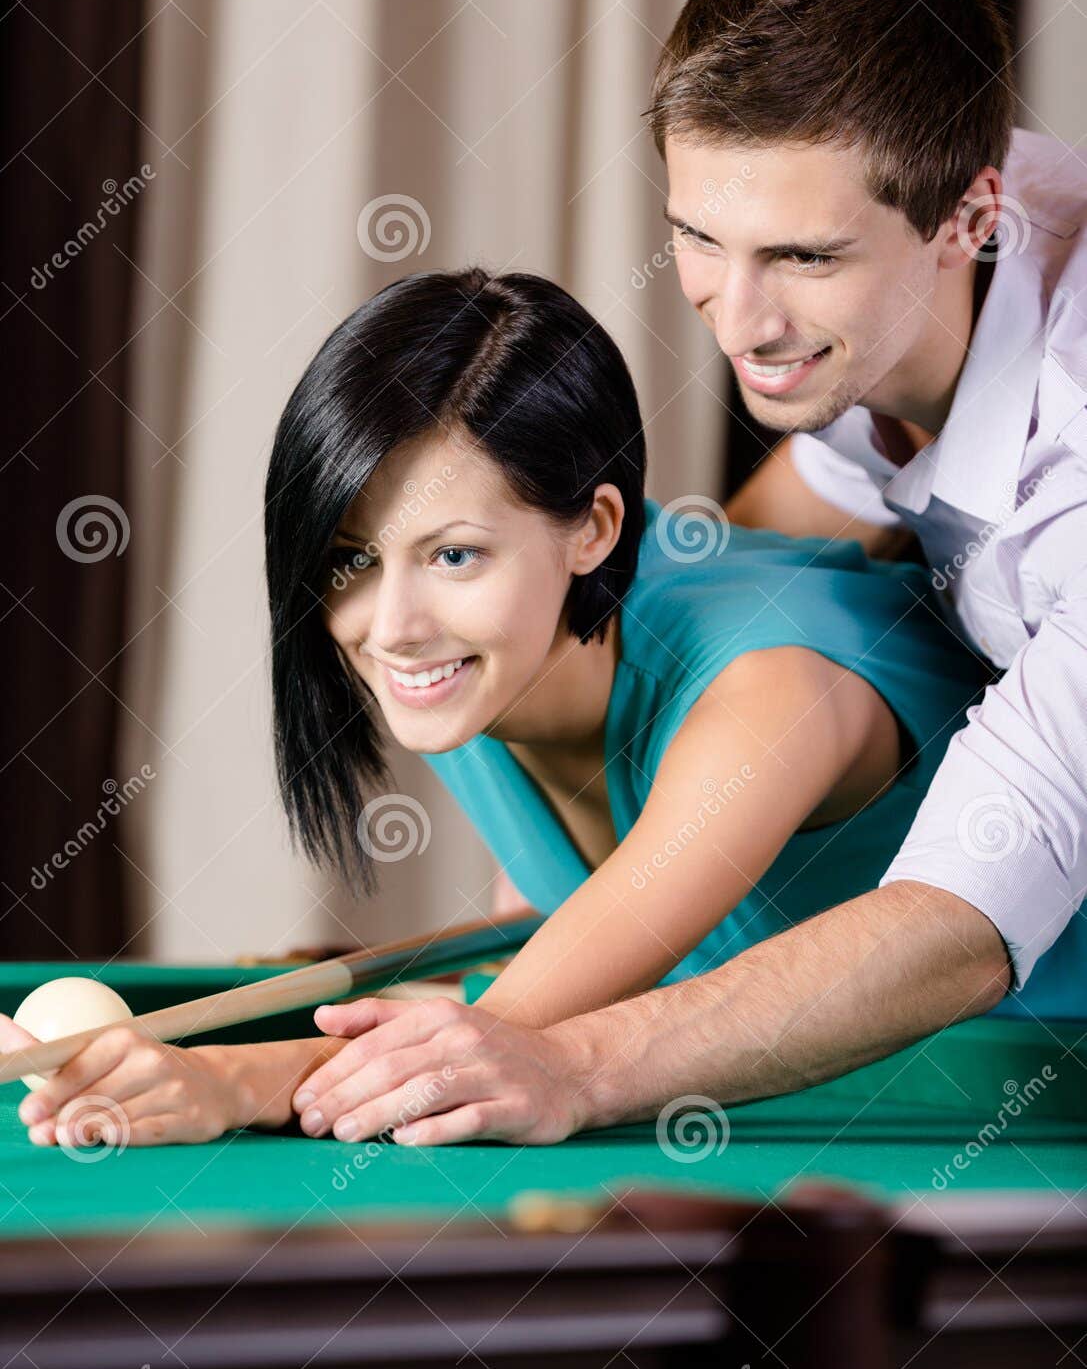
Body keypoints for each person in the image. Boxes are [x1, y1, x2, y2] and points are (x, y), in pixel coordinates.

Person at [3, 267, 987, 1147]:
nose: (391, 625)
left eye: (454, 553)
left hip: (1003, 1111)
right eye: (351, 555)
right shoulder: (477, 655)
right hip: (796, 1112)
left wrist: (224, 1079)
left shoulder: (768, 694)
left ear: (595, 528)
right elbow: (553, 979)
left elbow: (497, 1042)